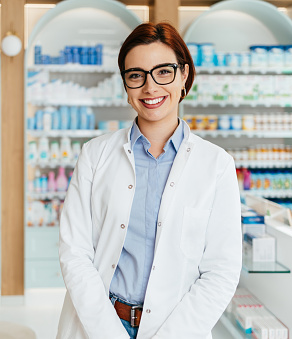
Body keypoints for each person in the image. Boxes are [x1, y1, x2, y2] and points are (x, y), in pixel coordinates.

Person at [57, 22, 242, 339]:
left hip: (177, 328)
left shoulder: (216, 165)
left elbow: (220, 271)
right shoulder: (95, 155)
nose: (150, 87)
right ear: (126, 87)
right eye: (136, 75)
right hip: (99, 323)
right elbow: (75, 254)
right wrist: (108, 332)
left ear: (183, 75)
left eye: (163, 72)